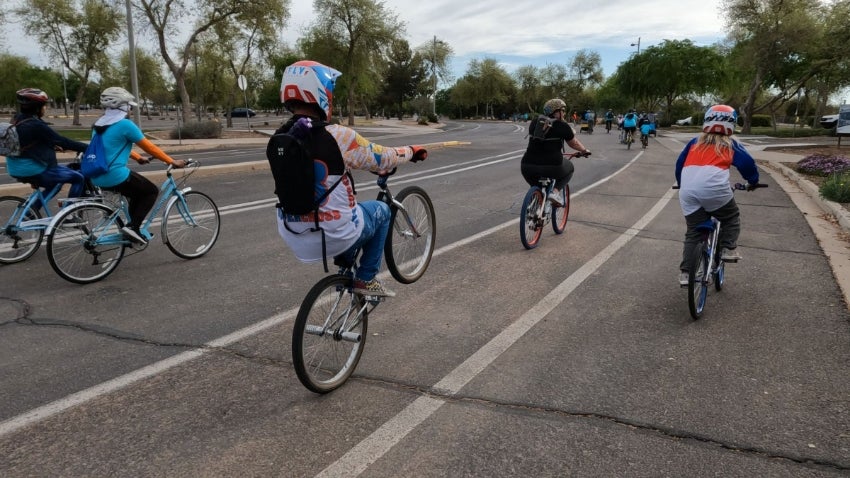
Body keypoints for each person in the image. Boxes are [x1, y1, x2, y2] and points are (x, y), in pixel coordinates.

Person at [275, 60, 427, 297]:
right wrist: (411, 151)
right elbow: (382, 157)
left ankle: (347, 262)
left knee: (349, 212)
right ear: (321, 92)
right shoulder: (338, 136)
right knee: (381, 211)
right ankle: (366, 279)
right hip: (333, 234)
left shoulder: (280, 138)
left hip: (294, 234)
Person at [87, 86, 186, 245]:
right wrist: (172, 161)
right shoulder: (125, 125)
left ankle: (132, 228)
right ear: (122, 106)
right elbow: (150, 147)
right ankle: (133, 228)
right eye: (129, 106)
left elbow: (110, 147)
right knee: (151, 191)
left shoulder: (98, 125)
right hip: (114, 175)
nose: (130, 110)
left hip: (97, 176)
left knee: (136, 192)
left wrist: (138, 157)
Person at [674, 105, 759, 286]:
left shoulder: (694, 142)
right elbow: (748, 165)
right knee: (731, 217)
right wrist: (753, 182)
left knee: (693, 232)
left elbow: (679, 164)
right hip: (715, 190)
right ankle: (728, 248)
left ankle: (686, 274)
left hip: (687, 192)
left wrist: (681, 183)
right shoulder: (730, 144)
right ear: (732, 124)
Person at [4, 88, 89, 208]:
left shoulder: (17, 119)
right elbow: (63, 141)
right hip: (32, 169)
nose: (45, 108)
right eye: (44, 106)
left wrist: (51, 145)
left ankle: (32, 211)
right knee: (78, 178)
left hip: (15, 167)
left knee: (55, 183)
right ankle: (69, 214)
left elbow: (28, 142)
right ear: (37, 107)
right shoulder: (36, 125)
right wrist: (88, 148)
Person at [521, 98, 591, 207]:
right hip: (552, 166)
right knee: (570, 168)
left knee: (536, 184)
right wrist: (584, 150)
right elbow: (574, 143)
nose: (563, 113)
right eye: (562, 111)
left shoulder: (535, 122)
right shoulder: (562, 126)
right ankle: (555, 192)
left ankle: (535, 204)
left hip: (527, 166)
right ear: (556, 112)